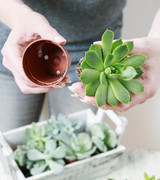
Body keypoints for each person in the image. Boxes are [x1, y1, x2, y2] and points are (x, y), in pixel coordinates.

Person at [0, 1, 159, 131]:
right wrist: (19, 17)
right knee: (7, 138)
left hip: (95, 51)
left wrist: (156, 43)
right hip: (20, 42)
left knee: (74, 140)